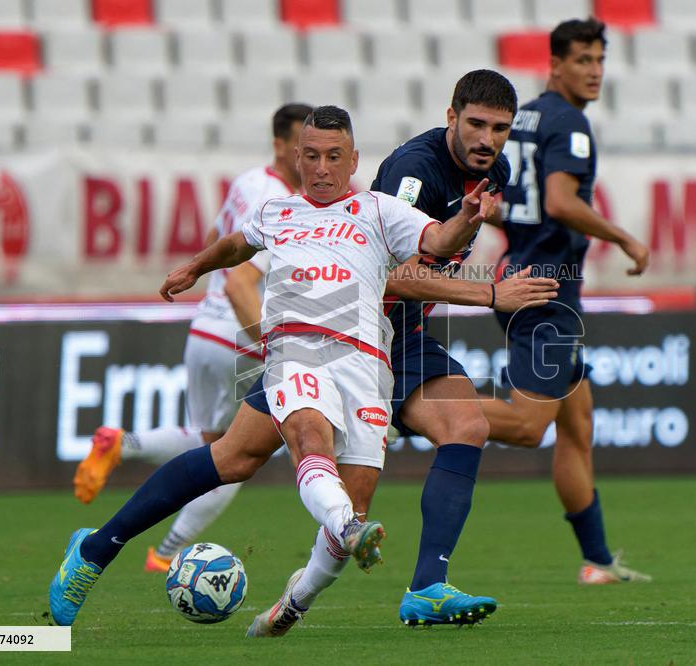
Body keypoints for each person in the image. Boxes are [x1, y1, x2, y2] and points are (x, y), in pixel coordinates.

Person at [47, 105, 498, 629]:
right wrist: (196, 266)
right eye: (312, 156)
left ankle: (294, 602)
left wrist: (466, 218)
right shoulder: (277, 212)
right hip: (295, 350)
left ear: (353, 161)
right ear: (296, 157)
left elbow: (438, 241)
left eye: (334, 157)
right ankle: (98, 552)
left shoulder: (380, 211)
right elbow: (236, 245)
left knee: (240, 462)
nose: (322, 168)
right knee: (310, 440)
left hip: (365, 365)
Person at [242, 69, 526, 627]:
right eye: (476, 124)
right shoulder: (413, 172)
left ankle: (427, 587)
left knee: (467, 426)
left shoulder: (496, 173)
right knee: (229, 460)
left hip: (404, 336)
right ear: (451, 116)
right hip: (344, 335)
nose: (488, 139)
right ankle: (99, 547)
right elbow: (393, 275)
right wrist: (491, 294)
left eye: (500, 129)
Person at [71, 103, 312, 573]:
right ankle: (164, 553)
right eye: (303, 147)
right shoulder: (283, 205)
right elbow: (242, 282)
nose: (311, 159)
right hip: (241, 334)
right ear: (281, 145)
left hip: (204, 329)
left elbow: (215, 239)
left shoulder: (247, 182)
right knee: (235, 459)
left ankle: (122, 443)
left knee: (209, 442)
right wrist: (271, 347)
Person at [480, 18, 652, 584]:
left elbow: (511, 206)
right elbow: (558, 202)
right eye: (582, 60)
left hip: (525, 278)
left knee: (577, 424)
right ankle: (402, 413)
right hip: (547, 293)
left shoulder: (525, 117)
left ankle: (597, 561)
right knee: (529, 426)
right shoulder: (569, 122)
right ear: (555, 64)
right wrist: (622, 237)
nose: (595, 71)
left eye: (600, 60)